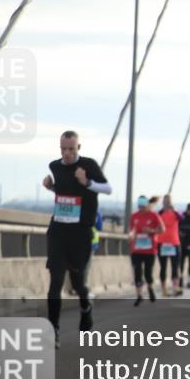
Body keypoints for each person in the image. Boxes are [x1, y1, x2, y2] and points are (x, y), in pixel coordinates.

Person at [42, 130, 111, 347]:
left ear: (78, 148)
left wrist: (87, 182)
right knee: (55, 282)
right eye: (63, 149)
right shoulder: (54, 166)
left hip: (81, 234)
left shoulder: (89, 165)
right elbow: (65, 191)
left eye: (71, 149)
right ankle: (53, 330)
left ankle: (86, 306)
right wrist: (51, 187)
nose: (67, 153)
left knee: (78, 282)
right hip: (59, 231)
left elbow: (107, 188)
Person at [128, 195, 165, 306]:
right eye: (139, 206)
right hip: (136, 250)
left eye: (143, 206)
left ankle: (150, 288)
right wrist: (130, 235)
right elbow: (132, 230)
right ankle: (139, 296)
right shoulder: (134, 216)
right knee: (137, 272)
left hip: (150, 250)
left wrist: (152, 230)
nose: (141, 208)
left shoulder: (154, 215)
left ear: (147, 205)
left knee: (148, 273)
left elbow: (162, 229)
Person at [156, 195, 182, 296]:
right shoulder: (160, 213)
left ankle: (175, 287)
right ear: (163, 202)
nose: (167, 203)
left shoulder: (176, 213)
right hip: (162, 243)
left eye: (169, 201)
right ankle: (164, 289)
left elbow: (181, 217)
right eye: (165, 201)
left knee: (175, 267)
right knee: (163, 267)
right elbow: (155, 220)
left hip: (174, 243)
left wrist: (173, 209)